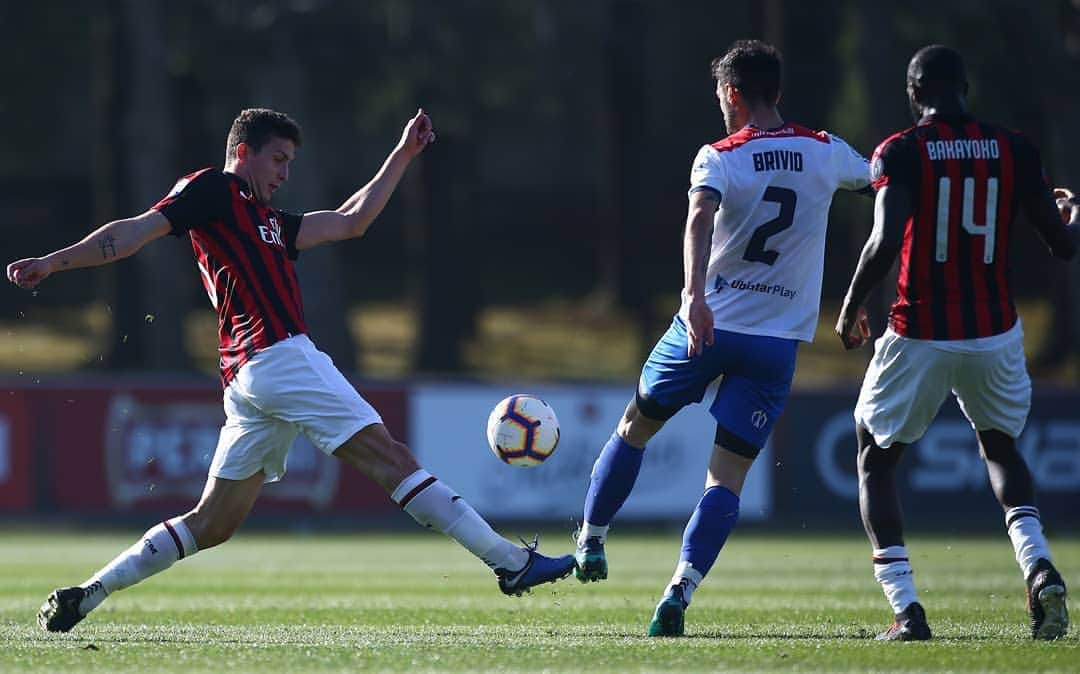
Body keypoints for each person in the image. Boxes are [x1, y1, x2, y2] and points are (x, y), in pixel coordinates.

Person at [8, 107, 575, 634]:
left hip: (248, 382)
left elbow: (352, 221)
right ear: (244, 151)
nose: (284, 173)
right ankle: (509, 562)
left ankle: (89, 592)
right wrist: (55, 262)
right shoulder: (213, 189)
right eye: (278, 159)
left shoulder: (271, 223)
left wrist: (402, 154)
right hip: (279, 356)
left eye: (289, 164)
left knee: (212, 524)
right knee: (393, 459)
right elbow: (129, 233)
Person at [570, 40, 872, 637]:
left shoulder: (720, 155)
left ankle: (592, 540)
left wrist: (694, 297)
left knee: (635, 426)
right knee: (726, 478)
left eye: (719, 96)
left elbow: (699, 215)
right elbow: (891, 183)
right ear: (777, 92)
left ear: (732, 93)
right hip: (775, 342)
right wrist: (866, 296)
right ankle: (679, 590)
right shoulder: (826, 152)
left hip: (706, 327)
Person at [836, 45, 1078, 641]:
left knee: (874, 456)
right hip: (994, 331)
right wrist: (1075, 213)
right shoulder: (1014, 147)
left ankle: (907, 609)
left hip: (919, 329)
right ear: (965, 87)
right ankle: (1038, 564)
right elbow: (1063, 245)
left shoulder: (900, 150)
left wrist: (848, 309)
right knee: (1000, 448)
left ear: (914, 93)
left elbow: (885, 238)